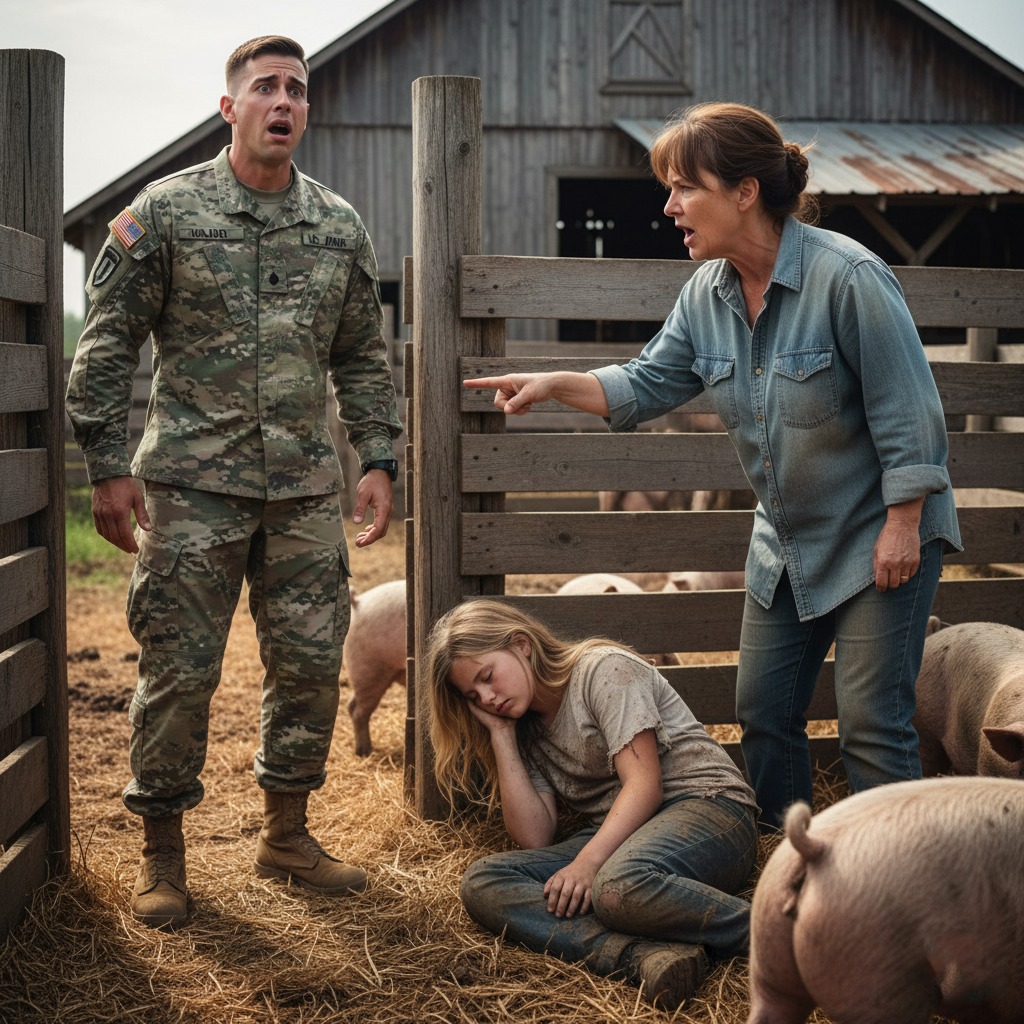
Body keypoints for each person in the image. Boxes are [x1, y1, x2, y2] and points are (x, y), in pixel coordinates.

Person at [464, 102, 961, 831]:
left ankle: (895, 874)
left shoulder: (848, 277)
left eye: (684, 188)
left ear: (745, 192)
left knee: (870, 722)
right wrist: (554, 383)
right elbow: (646, 382)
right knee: (762, 710)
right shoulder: (706, 294)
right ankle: (786, 856)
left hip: (878, 535)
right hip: (786, 545)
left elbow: (910, 410)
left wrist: (905, 521)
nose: (669, 207)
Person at [65, 35, 403, 928]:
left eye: (296, 89)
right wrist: (106, 465)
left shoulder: (337, 226)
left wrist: (378, 457)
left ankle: (286, 836)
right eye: (265, 88)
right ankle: (162, 855)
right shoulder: (167, 212)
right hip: (189, 489)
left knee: (309, 667)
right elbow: (107, 340)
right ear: (230, 108)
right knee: (179, 672)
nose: (283, 101)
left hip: (302, 490)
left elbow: (361, 356)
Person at [424, 599, 758, 1010]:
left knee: (617, 887)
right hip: (625, 836)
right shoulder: (522, 724)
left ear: (521, 644)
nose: (488, 698)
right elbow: (534, 836)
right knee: (485, 880)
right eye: (474, 695)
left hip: (709, 809)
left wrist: (587, 863)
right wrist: (501, 735)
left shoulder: (603, 671)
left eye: (488, 677)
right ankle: (641, 955)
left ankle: (778, 932)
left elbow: (645, 786)